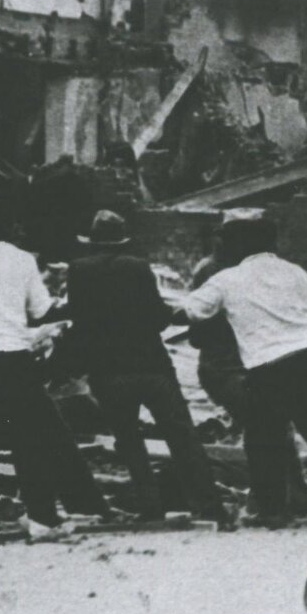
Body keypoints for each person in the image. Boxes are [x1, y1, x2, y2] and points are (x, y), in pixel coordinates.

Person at [0, 196, 112, 533]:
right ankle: (41, 511)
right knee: (31, 439)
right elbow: (41, 311)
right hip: (11, 362)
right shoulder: (23, 260)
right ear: (11, 227)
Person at [183, 215, 307, 526]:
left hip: (266, 365)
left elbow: (190, 311)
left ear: (240, 245)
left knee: (263, 439)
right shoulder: (293, 271)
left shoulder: (226, 278)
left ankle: (273, 511)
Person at [66, 210, 232, 528]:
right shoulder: (139, 268)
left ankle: (150, 507)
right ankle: (210, 507)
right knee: (182, 436)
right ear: (122, 241)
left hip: (108, 370)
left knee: (129, 439)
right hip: (152, 366)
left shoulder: (78, 271)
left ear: (93, 242)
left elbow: (79, 322)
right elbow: (158, 318)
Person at [190, 215, 307, 521]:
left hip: (251, 364)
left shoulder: (245, 272)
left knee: (271, 426)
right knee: (267, 427)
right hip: (225, 367)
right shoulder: (213, 273)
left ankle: (289, 498)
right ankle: (276, 501)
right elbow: (200, 331)